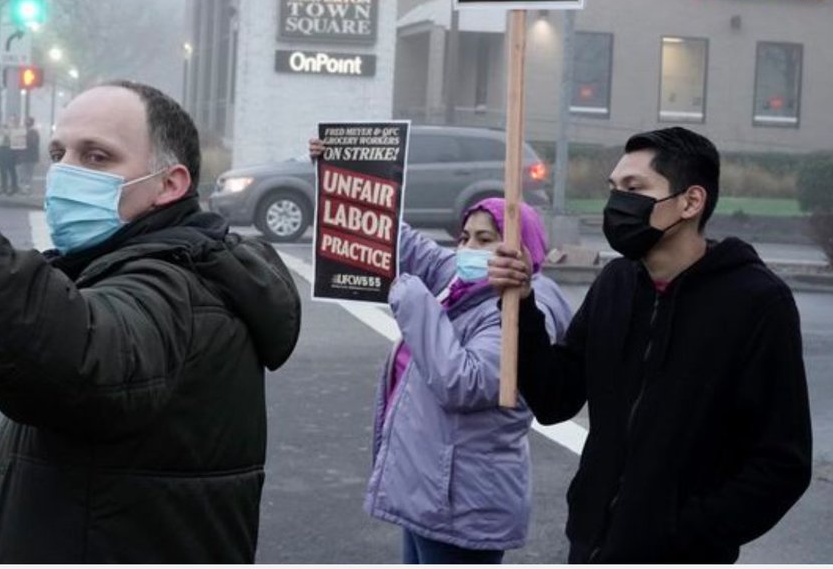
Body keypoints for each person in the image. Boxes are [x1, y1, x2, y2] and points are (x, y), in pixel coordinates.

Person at [0, 81, 302, 562]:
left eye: (97, 156)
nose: (66, 172)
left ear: (169, 184)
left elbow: (77, 354)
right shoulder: (139, 267)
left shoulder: (178, 290)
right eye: (59, 154)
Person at [488, 126, 812, 563]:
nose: (617, 203)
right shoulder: (615, 283)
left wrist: (687, 532)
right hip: (590, 546)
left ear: (690, 202)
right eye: (614, 189)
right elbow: (555, 398)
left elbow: (782, 463)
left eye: (634, 188)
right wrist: (522, 306)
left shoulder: (757, 302)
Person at [309, 139, 573, 564]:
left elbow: (462, 382)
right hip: (432, 493)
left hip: (463, 504)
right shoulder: (464, 280)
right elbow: (403, 244)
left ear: (523, 251)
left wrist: (412, 300)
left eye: (486, 239)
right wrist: (341, 178)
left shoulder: (520, 310)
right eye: (465, 236)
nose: (468, 248)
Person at [0, 120, 15, 196]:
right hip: (0, 152)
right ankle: (3, 187)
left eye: (4, 127)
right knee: (2, 171)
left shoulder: (9, 133)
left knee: (10, 170)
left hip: (7, 152)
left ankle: (13, 187)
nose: (1, 128)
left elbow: (11, 141)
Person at [5, 114, 27, 193]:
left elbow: (23, 138)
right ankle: (13, 186)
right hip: (12, 150)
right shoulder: (10, 129)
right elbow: (7, 137)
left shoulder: (22, 129)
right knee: (12, 169)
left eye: (16, 120)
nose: (14, 122)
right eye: (13, 120)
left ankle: (21, 187)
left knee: (20, 169)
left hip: (20, 151)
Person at [21, 115, 41, 189]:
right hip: (24, 155)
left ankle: (27, 186)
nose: (25, 123)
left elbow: (34, 143)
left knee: (29, 171)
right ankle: (25, 185)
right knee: (24, 170)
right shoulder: (24, 131)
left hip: (30, 155)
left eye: (27, 121)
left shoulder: (33, 132)